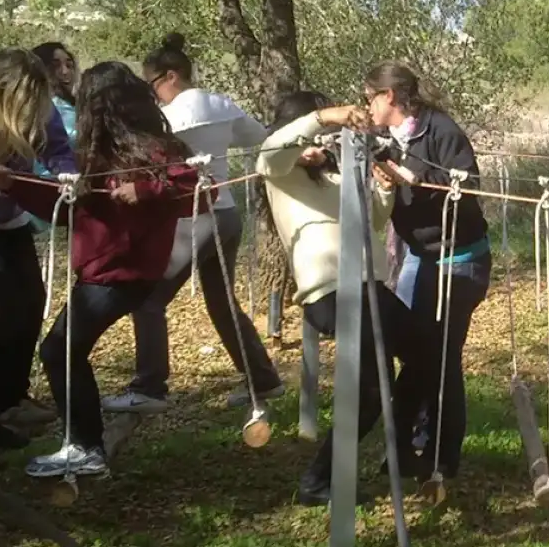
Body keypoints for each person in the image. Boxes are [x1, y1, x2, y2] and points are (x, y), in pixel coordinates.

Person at [0, 62, 214, 478]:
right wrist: (17, 186)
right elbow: (70, 213)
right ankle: (85, 444)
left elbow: (198, 191)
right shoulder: (97, 154)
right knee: (63, 350)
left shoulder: (156, 149)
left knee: (58, 350)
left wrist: (147, 189)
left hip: (124, 274)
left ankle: (84, 446)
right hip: (104, 273)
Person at [101, 33, 282, 414]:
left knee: (150, 298)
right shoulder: (221, 103)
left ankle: (149, 387)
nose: (153, 94)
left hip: (194, 217)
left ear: (169, 76)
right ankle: (263, 379)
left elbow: (150, 154)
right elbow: (258, 136)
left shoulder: (170, 115)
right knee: (221, 300)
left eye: (152, 83)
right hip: (228, 214)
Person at [256, 91, 422, 505]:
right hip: (332, 293)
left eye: (325, 137)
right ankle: (321, 480)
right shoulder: (280, 174)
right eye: (314, 135)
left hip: (367, 288)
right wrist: (324, 116)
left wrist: (382, 191)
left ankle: (393, 450)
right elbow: (272, 150)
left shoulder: (333, 174)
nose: (317, 146)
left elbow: (374, 221)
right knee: (377, 387)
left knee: (423, 357)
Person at [367, 61, 490, 480]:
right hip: (417, 257)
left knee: (440, 357)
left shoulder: (440, 129)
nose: (367, 107)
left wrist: (406, 176)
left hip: (460, 259)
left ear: (388, 97)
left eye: (370, 98)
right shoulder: (381, 136)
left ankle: (441, 456)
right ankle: (404, 445)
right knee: (420, 355)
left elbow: (467, 184)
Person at [0, 48, 77, 449]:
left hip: (12, 222)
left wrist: (68, 176)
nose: (32, 107)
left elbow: (60, 154)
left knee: (30, 307)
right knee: (8, 310)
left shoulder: (40, 114)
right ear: (2, 92)